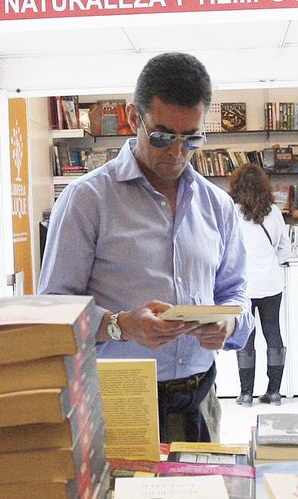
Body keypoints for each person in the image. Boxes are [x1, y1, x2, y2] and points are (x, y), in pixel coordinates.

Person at [39, 51, 252, 442]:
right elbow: (53, 310)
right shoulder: (87, 200)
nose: (176, 152)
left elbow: (237, 293)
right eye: (162, 136)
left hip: (201, 397)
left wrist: (231, 323)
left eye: (191, 139)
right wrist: (120, 326)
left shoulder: (217, 205)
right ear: (134, 118)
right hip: (120, 399)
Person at [229, 163, 296, 406]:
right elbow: (284, 249)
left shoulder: (231, 212)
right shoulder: (275, 212)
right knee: (273, 332)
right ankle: (274, 392)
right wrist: (270, 264)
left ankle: (246, 393)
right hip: (270, 283)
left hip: (242, 285)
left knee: (246, 335)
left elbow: (226, 249)